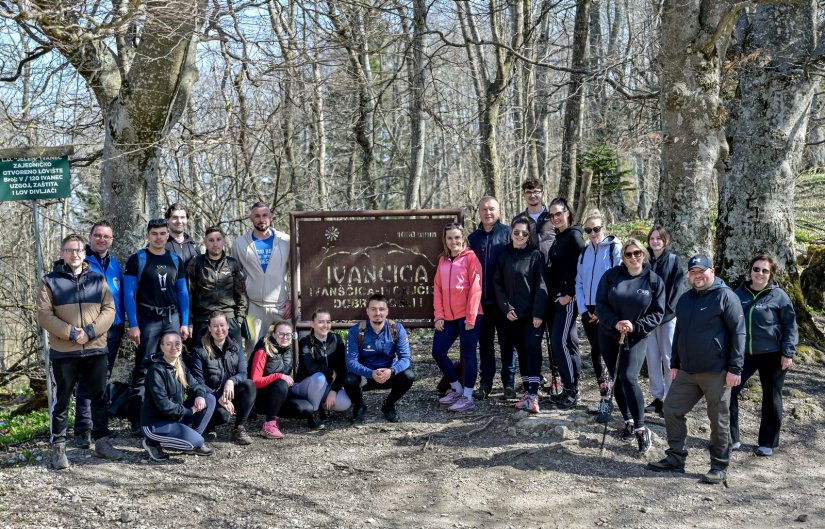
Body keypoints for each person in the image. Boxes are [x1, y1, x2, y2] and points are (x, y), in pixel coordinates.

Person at [647, 255, 745, 485]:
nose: (697, 276)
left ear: (713, 271)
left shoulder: (725, 297)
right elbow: (679, 332)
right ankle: (675, 458)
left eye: (702, 271)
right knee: (671, 409)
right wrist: (675, 364)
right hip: (688, 372)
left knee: (718, 419)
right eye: (693, 272)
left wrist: (735, 368)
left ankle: (719, 465)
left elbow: (739, 333)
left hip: (717, 372)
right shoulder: (685, 299)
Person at [37, 234, 123, 469]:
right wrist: (72, 333)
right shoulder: (50, 281)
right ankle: (59, 447)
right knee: (62, 399)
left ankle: (102, 443)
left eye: (78, 250)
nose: (74, 254)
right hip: (64, 351)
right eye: (69, 250)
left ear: (84, 254)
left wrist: (90, 331)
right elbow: (44, 315)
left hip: (95, 348)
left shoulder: (97, 279)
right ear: (62, 254)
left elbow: (110, 309)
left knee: (100, 396)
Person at [595, 239, 665, 453]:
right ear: (622, 257)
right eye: (628, 254)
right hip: (609, 333)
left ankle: (642, 428)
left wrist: (635, 326)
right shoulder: (611, 276)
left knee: (629, 377)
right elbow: (601, 304)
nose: (633, 257)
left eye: (637, 253)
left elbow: (658, 313)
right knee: (617, 377)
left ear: (644, 254)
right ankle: (628, 420)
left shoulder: (653, 281)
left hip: (636, 336)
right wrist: (615, 322)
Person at [124, 218, 191, 434]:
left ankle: (172, 413)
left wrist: (185, 321)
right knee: (144, 366)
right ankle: (138, 419)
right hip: (148, 319)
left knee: (174, 363)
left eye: (163, 233)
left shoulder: (175, 259)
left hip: (171, 318)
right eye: (155, 233)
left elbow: (182, 292)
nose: (159, 238)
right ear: (148, 235)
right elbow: (128, 293)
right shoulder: (138, 259)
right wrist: (133, 324)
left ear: (168, 235)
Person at [730, 253, 798, 457]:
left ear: (771, 274)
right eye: (756, 269)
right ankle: (732, 438)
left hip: (773, 355)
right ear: (750, 270)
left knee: (771, 396)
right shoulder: (738, 294)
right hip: (744, 354)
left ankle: (768, 442)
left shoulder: (779, 296)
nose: (759, 273)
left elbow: (790, 325)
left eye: (765, 270)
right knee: (729, 391)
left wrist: (788, 352)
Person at [74, 220, 126, 449]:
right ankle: (82, 430)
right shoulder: (80, 262)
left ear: (112, 240)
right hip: (89, 331)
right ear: (91, 236)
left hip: (112, 330)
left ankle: (100, 429)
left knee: (102, 380)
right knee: (86, 380)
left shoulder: (115, 264)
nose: (102, 239)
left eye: (106, 236)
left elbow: (121, 295)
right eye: (98, 236)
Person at [493, 217, 548, 414]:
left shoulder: (535, 256)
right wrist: (506, 308)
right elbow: (497, 285)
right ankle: (526, 390)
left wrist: (538, 312)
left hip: (532, 315)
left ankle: (534, 393)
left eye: (524, 233)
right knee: (521, 351)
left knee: (532, 349)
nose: (520, 236)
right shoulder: (503, 256)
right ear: (511, 233)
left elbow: (542, 285)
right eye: (516, 232)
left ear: (529, 236)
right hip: (512, 315)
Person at [141, 332, 216, 461]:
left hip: (175, 418)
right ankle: (152, 442)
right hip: (155, 424)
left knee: (209, 399)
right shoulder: (156, 370)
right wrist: (189, 411)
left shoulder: (179, 364)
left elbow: (196, 385)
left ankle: (192, 440)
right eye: (169, 344)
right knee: (198, 442)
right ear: (162, 347)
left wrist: (200, 396)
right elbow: (164, 405)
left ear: (182, 346)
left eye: (177, 343)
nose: (173, 347)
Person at [432, 223, 483, 412]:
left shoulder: (470, 258)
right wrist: (439, 315)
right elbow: (437, 289)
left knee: (469, 354)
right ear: (445, 241)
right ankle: (457, 388)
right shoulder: (443, 261)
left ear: (463, 238)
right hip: (448, 317)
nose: (454, 241)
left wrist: (470, 317)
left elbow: (476, 289)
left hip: (470, 315)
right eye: (449, 238)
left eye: (457, 237)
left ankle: (468, 397)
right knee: (438, 351)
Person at [468, 196, 515, 400]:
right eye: (484, 209)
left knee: (507, 344)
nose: (488, 213)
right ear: (479, 211)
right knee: (485, 345)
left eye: (492, 209)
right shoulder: (472, 238)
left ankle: (509, 384)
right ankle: (486, 383)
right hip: (480, 303)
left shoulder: (508, 235)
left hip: (503, 302)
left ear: (499, 211)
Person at [574, 210, 621, 412]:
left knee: (603, 351)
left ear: (604, 228)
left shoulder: (614, 248)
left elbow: (619, 280)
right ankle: (605, 395)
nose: (592, 233)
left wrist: (603, 311)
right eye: (588, 230)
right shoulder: (584, 253)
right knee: (595, 354)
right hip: (588, 310)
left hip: (607, 309)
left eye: (596, 229)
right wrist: (583, 309)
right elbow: (579, 282)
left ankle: (615, 395)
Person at [344, 294, 415, 424]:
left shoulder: (396, 329)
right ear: (367, 311)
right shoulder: (357, 330)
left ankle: (388, 405)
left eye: (381, 309)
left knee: (408, 375)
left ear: (387, 311)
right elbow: (350, 363)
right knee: (349, 379)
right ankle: (359, 406)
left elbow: (405, 358)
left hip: (388, 375)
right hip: (366, 377)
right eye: (373, 309)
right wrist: (370, 373)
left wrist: (392, 371)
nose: (378, 313)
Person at [232, 202, 291, 353]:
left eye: (265, 215)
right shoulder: (240, 243)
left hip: (281, 305)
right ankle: (252, 377)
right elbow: (235, 274)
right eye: (257, 216)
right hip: (253, 306)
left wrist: (293, 300)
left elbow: (295, 271)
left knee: (290, 345)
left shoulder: (286, 241)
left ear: (270, 217)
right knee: (252, 346)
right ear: (251, 218)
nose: (261, 219)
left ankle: (287, 376)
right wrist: (241, 303)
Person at [189, 312, 256, 445]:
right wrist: (218, 397)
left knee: (249, 385)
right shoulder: (199, 350)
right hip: (209, 396)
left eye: (222, 325)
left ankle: (239, 428)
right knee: (223, 416)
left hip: (229, 392)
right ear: (209, 328)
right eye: (215, 326)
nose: (219, 329)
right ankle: (209, 426)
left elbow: (243, 373)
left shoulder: (236, 347)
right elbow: (198, 382)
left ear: (228, 327)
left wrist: (232, 381)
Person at [545, 197, 587, 408]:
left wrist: (570, 293)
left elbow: (583, 266)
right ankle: (572, 388)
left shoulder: (574, 237)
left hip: (567, 299)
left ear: (568, 213)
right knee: (569, 343)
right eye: (552, 215)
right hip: (556, 298)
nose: (555, 218)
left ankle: (570, 390)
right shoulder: (559, 237)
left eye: (559, 213)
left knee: (558, 341)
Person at [644, 225, 685, 415]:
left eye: (658, 239)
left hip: (668, 317)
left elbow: (676, 289)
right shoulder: (645, 261)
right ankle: (657, 396)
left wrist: (665, 311)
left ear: (665, 241)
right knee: (652, 357)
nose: (654, 242)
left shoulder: (674, 261)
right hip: (647, 317)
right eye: (652, 239)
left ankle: (671, 396)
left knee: (668, 357)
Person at [249, 321, 314, 439]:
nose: (285, 337)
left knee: (307, 409)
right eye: (281, 334)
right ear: (273, 334)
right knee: (281, 383)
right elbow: (255, 381)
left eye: (288, 334)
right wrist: (279, 376)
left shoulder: (288, 350)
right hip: (261, 397)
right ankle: (269, 424)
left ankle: (275, 414)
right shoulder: (263, 349)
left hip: (281, 394)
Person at [187, 226, 248, 344]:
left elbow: (241, 293)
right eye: (211, 240)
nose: (215, 244)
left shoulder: (232, 263)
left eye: (218, 239)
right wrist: (189, 320)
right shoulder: (196, 263)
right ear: (205, 242)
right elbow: (189, 294)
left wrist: (239, 319)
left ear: (224, 241)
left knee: (234, 356)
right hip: (203, 318)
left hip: (229, 318)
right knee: (201, 357)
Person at [295, 309, 352, 429]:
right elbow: (309, 367)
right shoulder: (305, 341)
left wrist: (334, 391)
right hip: (305, 385)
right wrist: (329, 371)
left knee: (345, 402)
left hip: (326, 386)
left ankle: (321, 404)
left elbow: (342, 369)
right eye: (321, 322)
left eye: (328, 322)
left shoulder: (336, 339)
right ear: (312, 324)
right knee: (319, 377)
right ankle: (314, 414)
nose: (325, 325)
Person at [512, 178, 555, 258]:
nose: (532, 195)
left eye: (536, 192)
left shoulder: (553, 216)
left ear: (542, 193)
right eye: (528, 192)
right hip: (527, 266)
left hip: (553, 266)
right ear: (523, 195)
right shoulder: (518, 220)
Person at [164, 202, 201, 274]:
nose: (179, 221)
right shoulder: (159, 245)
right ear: (167, 220)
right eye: (175, 217)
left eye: (182, 217)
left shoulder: (194, 246)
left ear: (187, 220)